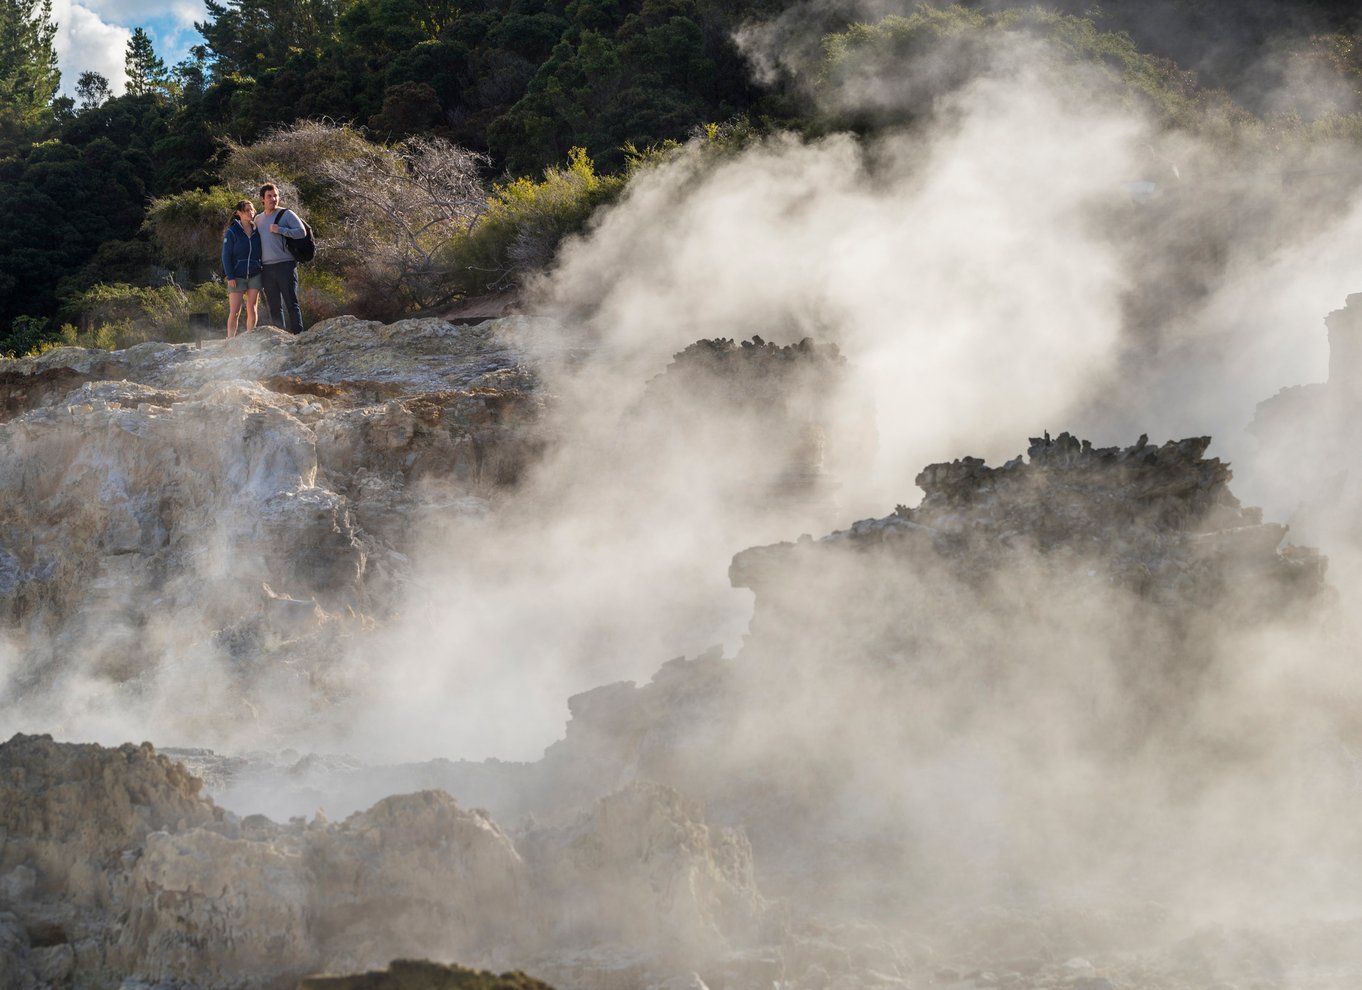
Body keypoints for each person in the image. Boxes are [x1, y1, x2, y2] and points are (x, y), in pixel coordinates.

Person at [257, 182, 307, 334]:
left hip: (285, 265)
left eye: (275, 196)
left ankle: (299, 336)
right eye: (269, 196)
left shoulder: (287, 214)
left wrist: (281, 230)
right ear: (262, 199)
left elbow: (302, 232)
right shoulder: (258, 219)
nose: (273, 199)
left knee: (291, 302)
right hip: (266, 268)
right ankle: (280, 337)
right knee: (274, 306)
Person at [220, 199, 262, 338]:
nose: (250, 213)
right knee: (235, 311)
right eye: (246, 210)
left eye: (252, 210)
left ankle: (250, 338)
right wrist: (230, 276)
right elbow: (226, 256)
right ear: (239, 213)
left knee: (252, 308)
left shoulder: (257, 230)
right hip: (237, 276)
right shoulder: (232, 232)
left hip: (255, 274)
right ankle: (230, 340)